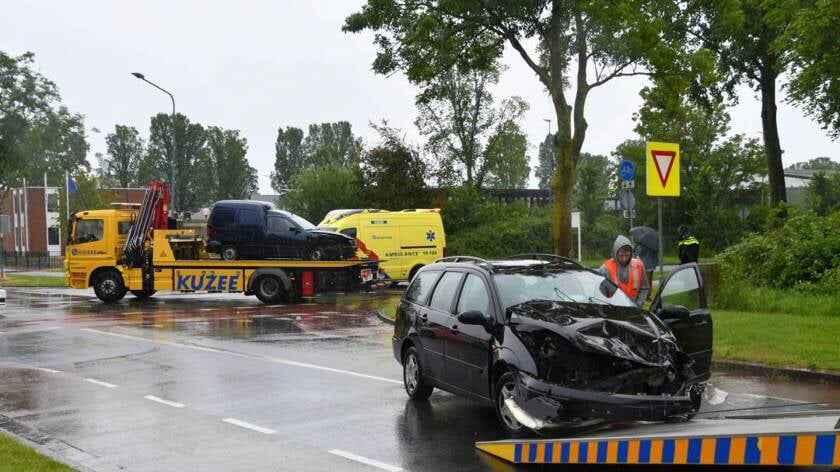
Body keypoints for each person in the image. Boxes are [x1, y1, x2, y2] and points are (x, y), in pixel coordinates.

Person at [599, 235, 649, 306]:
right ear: (615, 253)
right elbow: (601, 294)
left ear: (631, 254)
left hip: (634, 309)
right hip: (613, 309)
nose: (624, 259)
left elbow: (644, 288)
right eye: (621, 255)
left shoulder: (639, 265)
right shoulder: (605, 269)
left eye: (627, 255)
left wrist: (639, 303)